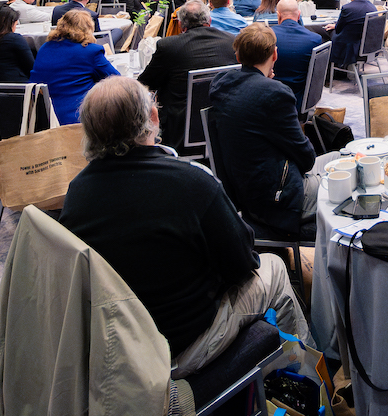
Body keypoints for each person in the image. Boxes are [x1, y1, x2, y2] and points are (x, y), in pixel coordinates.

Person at [59, 76, 309, 378]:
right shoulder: (191, 181)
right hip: (184, 346)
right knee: (274, 269)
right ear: (153, 117)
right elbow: (244, 263)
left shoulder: (76, 194)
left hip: (119, 350)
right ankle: (304, 381)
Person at [211, 24, 319, 239]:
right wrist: (268, 86)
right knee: (347, 178)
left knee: (337, 162)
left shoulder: (220, 84)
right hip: (275, 198)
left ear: (238, 55)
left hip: (241, 190)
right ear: (275, 54)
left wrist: (263, 82)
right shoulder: (275, 93)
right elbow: (307, 159)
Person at [138, 0, 237, 146]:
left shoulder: (169, 46)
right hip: (225, 123)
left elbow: (145, 84)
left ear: (180, 24)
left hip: (180, 130)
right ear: (209, 20)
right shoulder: (231, 42)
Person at [29, 9, 120, 124]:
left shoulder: (45, 48)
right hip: (79, 120)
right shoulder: (90, 51)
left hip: (44, 119)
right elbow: (117, 80)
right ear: (88, 28)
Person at [268, 0, 322, 101]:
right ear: (299, 14)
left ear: (278, 15)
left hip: (271, 100)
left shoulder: (267, 36)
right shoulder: (315, 39)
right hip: (301, 100)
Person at [330, 0, 376, 69]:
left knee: (329, 34)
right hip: (370, 46)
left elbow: (339, 29)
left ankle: (334, 70)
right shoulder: (372, 7)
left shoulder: (347, 8)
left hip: (352, 48)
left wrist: (334, 26)